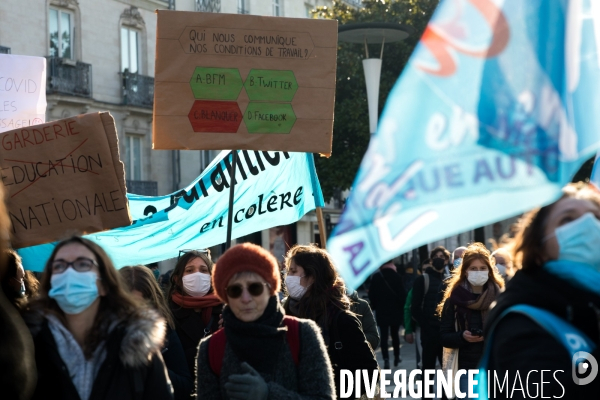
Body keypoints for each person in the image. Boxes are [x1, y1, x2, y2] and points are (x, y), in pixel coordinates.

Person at [483, 183, 600, 398]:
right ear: (539, 250)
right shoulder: (521, 323)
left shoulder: (591, 305)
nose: (589, 226)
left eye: (596, 218)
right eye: (568, 219)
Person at [23, 236, 173, 400]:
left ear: (103, 285)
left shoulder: (137, 343)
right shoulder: (28, 344)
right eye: (59, 266)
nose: (70, 273)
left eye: (82, 265)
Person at [195, 243, 335, 400]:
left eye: (255, 288)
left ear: (270, 288)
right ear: (225, 296)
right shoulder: (211, 348)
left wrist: (269, 393)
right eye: (235, 290)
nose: (246, 299)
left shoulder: (302, 334)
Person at [283, 244, 378, 399]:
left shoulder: (341, 320)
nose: (288, 277)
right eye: (288, 271)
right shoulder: (283, 316)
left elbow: (369, 373)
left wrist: (333, 392)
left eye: (293, 271)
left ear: (312, 277)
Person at [438, 243, 504, 396]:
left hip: (494, 367)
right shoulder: (454, 300)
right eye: (473, 268)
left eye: (482, 268)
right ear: (465, 271)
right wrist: (462, 336)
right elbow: (443, 336)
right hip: (465, 369)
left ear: (489, 270)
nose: (478, 272)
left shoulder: (500, 297)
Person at [120, 266, 193, 400]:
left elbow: (185, 386)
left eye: (141, 306)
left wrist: (152, 361)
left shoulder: (164, 334)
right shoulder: (101, 339)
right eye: (126, 305)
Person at [167, 249, 222, 374]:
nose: (198, 275)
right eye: (189, 270)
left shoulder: (226, 310)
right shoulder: (167, 315)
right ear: (177, 279)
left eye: (203, 270)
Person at [411, 246, 449, 397]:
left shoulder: (449, 281)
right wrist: (425, 325)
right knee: (428, 368)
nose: (439, 258)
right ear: (432, 260)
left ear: (446, 260)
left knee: (447, 368)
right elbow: (415, 307)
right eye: (436, 256)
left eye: (442, 256)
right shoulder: (423, 279)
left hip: (445, 332)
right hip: (429, 333)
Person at [369, 260, 406, 369]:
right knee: (395, 335)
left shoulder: (376, 277)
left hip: (382, 310)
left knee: (384, 336)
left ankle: (386, 359)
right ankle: (396, 356)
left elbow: (372, 295)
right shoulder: (397, 276)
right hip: (395, 310)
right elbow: (402, 295)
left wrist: (375, 306)